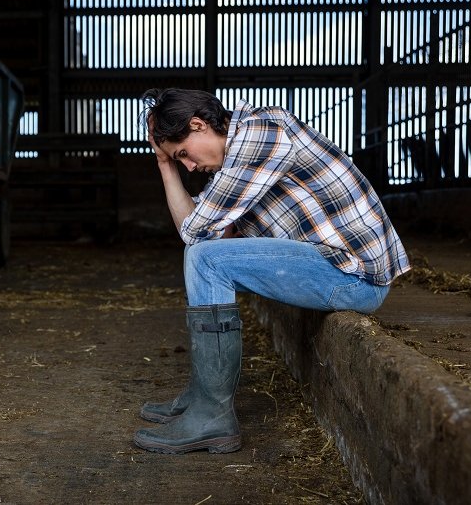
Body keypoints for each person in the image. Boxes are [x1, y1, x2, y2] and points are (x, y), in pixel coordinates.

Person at [133, 88, 410, 455]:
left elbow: (194, 232)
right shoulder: (237, 160)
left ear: (198, 125)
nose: (189, 167)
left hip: (353, 276)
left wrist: (189, 205)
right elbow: (198, 231)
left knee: (207, 260)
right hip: (330, 266)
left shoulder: (261, 134)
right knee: (203, 255)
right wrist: (164, 164)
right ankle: (204, 396)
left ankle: (212, 415)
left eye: (183, 154)